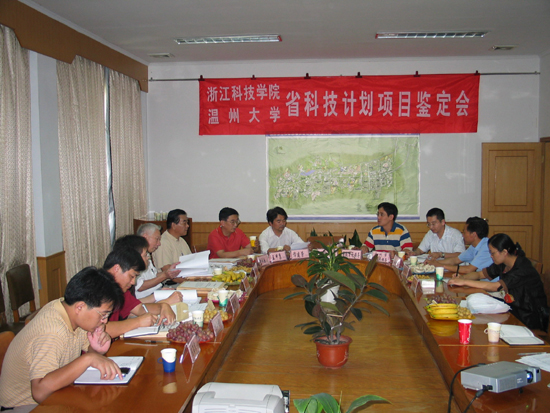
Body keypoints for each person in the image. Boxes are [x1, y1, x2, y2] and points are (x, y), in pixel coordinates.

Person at [0, 267, 124, 411]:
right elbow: (39, 393)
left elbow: (88, 353)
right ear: (80, 307)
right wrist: (88, 359)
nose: (105, 321)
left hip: (58, 391)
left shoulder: (69, 311)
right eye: (103, 315)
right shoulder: (52, 331)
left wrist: (96, 350)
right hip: (23, 405)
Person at [449, 234, 549, 331]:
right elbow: (480, 274)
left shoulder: (522, 268)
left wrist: (464, 282)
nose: (491, 256)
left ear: (504, 252)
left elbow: (495, 286)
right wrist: (462, 277)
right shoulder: (504, 262)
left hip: (529, 316)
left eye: (493, 253)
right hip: (513, 308)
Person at [103, 247, 175, 338]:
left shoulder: (119, 289)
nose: (133, 282)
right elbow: (101, 329)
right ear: (116, 268)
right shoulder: (98, 289)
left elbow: (139, 309)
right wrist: (138, 322)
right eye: (132, 276)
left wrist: (163, 306)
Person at [114, 233, 183, 302]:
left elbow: (135, 305)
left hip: (153, 295)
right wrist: (164, 301)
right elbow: (135, 304)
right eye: (145, 255)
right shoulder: (121, 285)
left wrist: (168, 272)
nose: (148, 257)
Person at [427, 216, 493, 276]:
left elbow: (468, 269)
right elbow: (455, 260)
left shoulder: (486, 247)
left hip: (489, 284)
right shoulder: (473, 246)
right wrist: (433, 263)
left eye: (464, 232)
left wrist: (441, 265)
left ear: (474, 234)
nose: (463, 235)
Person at [135, 224, 183, 297]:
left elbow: (154, 276)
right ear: (145, 237)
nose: (159, 243)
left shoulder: (147, 254)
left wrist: (169, 272)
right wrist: (165, 275)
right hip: (147, 297)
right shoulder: (135, 256)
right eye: (157, 239)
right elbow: (140, 286)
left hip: (159, 291)